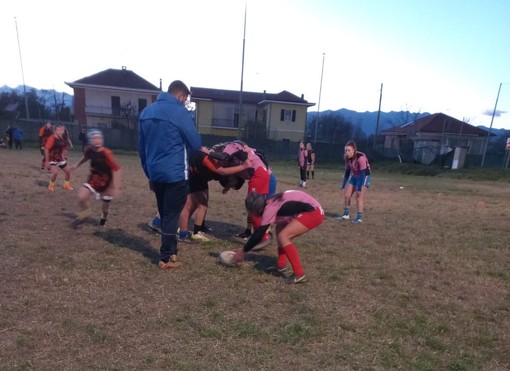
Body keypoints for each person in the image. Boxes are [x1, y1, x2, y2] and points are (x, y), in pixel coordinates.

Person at [138, 80, 202, 269]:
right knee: (171, 215)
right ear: (181, 96)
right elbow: (195, 143)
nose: (185, 103)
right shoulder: (179, 112)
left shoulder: (146, 113)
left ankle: (170, 253)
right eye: (186, 100)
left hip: (155, 174)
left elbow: (142, 149)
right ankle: (166, 257)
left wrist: (149, 173)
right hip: (175, 174)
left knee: (166, 213)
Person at [232, 190, 324, 284]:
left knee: (284, 236)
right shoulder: (269, 203)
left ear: (254, 209)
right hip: (311, 209)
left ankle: (299, 274)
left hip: (314, 212)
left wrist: (243, 251)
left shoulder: (269, 208)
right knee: (279, 228)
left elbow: (258, 234)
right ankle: (281, 266)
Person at [177, 147, 252, 242]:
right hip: (194, 177)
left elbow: (224, 173)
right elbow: (221, 171)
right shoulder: (206, 159)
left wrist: (228, 186)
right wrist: (244, 166)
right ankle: (196, 232)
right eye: (220, 161)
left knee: (197, 204)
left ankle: (184, 227)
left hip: (198, 177)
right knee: (201, 205)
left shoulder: (211, 160)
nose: (221, 163)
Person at [70, 129, 122, 228]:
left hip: (106, 183)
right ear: (90, 140)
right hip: (93, 179)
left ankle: (103, 219)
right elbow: (86, 157)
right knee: (82, 197)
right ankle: (85, 215)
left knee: (105, 209)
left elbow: (117, 169)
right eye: (94, 138)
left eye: (99, 138)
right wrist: (77, 164)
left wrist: (115, 187)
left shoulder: (106, 153)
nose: (97, 140)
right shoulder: (89, 150)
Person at [337, 140, 371, 224]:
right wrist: (343, 185)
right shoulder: (347, 158)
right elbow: (347, 172)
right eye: (345, 150)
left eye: (349, 150)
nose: (347, 152)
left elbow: (363, 173)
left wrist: (359, 188)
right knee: (347, 195)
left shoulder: (361, 157)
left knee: (359, 197)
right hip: (355, 176)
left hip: (364, 176)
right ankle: (346, 215)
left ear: (354, 150)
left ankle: (359, 218)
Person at [44, 124, 74, 191]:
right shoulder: (52, 138)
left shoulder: (61, 138)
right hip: (52, 158)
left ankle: (66, 185)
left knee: (68, 171)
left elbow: (62, 148)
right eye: (58, 130)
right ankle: (51, 185)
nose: (60, 131)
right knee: (55, 172)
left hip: (59, 158)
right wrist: (46, 161)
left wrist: (64, 155)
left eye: (61, 130)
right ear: (55, 131)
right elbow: (46, 149)